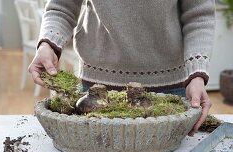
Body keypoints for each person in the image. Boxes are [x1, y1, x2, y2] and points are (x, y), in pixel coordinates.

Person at [28, 0, 215, 136]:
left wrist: (196, 75)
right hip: (95, 94)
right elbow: (62, 7)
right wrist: (48, 44)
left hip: (172, 90)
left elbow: (199, 16)